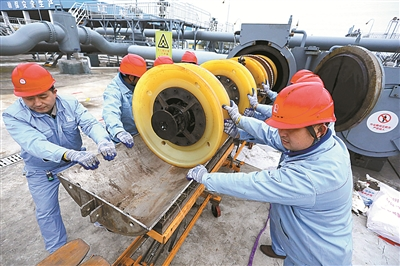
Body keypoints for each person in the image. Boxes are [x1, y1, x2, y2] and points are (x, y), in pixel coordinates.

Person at [186, 81, 353, 265]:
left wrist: (207, 178)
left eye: (291, 129)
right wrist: (240, 125)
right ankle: (279, 249)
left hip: (316, 256)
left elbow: (254, 184)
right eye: (282, 126)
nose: (282, 134)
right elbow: (271, 134)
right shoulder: (321, 142)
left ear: (319, 130)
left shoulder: (316, 178)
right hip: (302, 240)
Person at [2, 62, 117, 254]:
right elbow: (35, 144)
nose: (37, 103)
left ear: (54, 91)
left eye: (43, 96)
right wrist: (70, 153)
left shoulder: (70, 104)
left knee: (93, 194)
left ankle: (101, 219)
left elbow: (89, 123)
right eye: (29, 99)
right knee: (47, 211)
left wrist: (103, 140)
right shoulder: (13, 116)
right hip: (42, 169)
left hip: (74, 161)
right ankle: (58, 251)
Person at [102, 54, 147, 148]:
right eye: (140, 77)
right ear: (131, 77)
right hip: (122, 140)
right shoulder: (113, 91)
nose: (142, 80)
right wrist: (119, 132)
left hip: (141, 135)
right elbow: (110, 112)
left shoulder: (138, 85)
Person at [244, 70, 324, 121]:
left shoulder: (312, 112)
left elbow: (279, 112)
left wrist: (256, 106)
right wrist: (269, 92)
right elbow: (285, 102)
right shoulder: (314, 100)